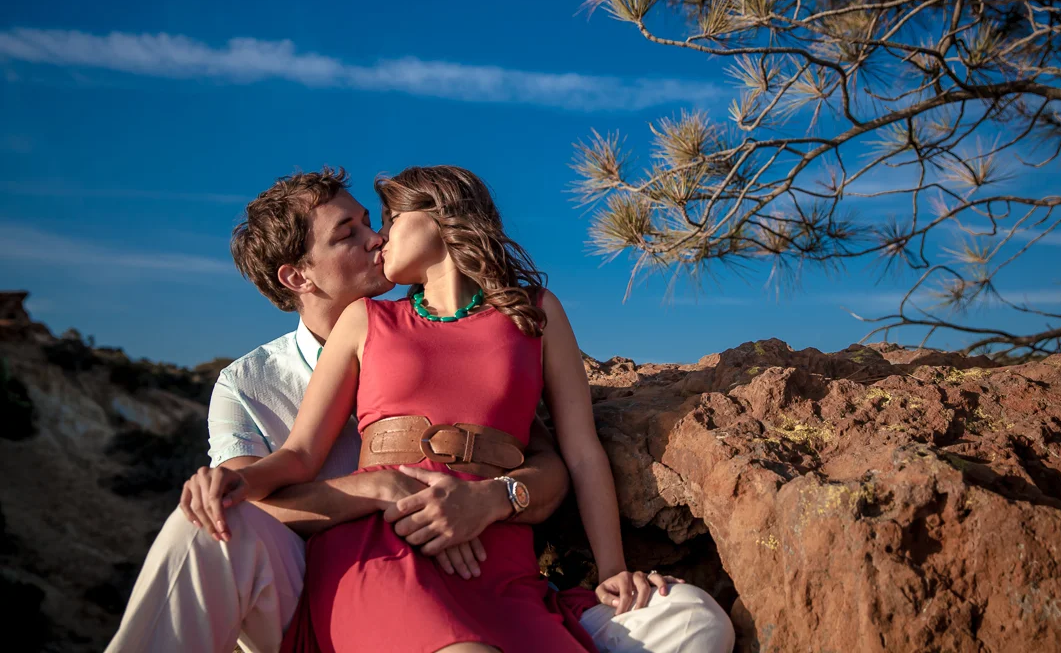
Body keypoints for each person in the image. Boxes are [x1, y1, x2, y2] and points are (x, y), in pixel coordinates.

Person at [106, 167, 734, 653]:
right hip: (347, 567)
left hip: (495, 557)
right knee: (206, 523)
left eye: (377, 221)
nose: (376, 237)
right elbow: (284, 472)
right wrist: (383, 489)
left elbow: (562, 455)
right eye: (351, 233)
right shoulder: (263, 376)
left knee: (695, 625)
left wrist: (497, 505)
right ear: (298, 276)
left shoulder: (530, 315)